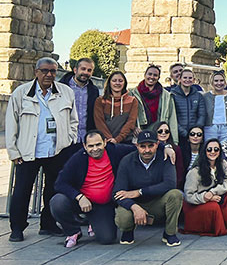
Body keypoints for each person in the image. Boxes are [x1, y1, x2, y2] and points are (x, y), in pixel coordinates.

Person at [6, 57, 79, 242]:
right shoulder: (21, 93)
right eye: (45, 71)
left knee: (53, 190)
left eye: (53, 71)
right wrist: (14, 152)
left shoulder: (66, 92)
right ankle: (17, 228)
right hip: (28, 151)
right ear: (36, 71)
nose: (49, 75)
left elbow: (73, 120)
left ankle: (48, 224)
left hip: (56, 150)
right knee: (22, 191)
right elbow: (11, 124)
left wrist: (69, 140)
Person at [50, 131, 138, 247]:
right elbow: (60, 183)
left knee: (107, 239)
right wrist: (79, 197)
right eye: (91, 146)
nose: (95, 149)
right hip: (82, 201)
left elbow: (140, 147)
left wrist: (165, 147)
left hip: (103, 204)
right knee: (57, 202)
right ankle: (73, 231)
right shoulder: (78, 158)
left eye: (98, 144)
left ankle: (94, 223)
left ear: (105, 143)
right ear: (85, 146)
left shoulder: (115, 151)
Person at [113, 130, 183, 246]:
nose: (147, 150)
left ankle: (169, 233)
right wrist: (134, 207)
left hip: (157, 202)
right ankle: (128, 231)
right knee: (123, 217)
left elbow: (170, 184)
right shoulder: (126, 161)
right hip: (134, 204)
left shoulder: (166, 157)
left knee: (176, 195)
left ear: (157, 144)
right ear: (136, 146)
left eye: (151, 146)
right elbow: (117, 193)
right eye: (142, 146)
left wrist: (140, 192)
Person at [182, 138, 227, 236]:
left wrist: (213, 192)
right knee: (213, 206)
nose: (213, 152)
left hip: (212, 195)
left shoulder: (222, 164)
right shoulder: (195, 172)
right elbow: (188, 196)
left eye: (216, 149)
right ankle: (217, 229)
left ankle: (226, 226)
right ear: (204, 151)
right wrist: (205, 197)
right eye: (209, 149)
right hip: (196, 204)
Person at [131, 64, 178, 143]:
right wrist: (133, 127)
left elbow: (172, 118)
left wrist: (175, 141)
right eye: (149, 74)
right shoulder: (133, 93)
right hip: (140, 132)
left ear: (159, 78)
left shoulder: (166, 95)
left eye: (155, 75)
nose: (152, 77)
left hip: (158, 133)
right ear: (145, 75)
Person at [58, 57, 99, 143]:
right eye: (83, 69)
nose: (86, 72)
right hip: (65, 138)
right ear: (75, 70)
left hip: (86, 138)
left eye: (89, 70)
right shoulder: (61, 88)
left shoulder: (94, 90)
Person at [94, 71, 138, 144]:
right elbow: (99, 122)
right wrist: (109, 139)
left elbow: (131, 122)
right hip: (106, 142)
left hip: (126, 141)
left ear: (124, 83)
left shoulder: (132, 101)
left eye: (120, 81)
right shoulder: (100, 101)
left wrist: (118, 139)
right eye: (114, 81)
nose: (117, 83)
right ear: (109, 83)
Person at [204, 71, 227, 143]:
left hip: (226, 128)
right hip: (210, 128)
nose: (219, 83)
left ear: (225, 82)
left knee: (225, 149)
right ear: (212, 82)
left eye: (221, 80)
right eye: (216, 81)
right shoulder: (205, 96)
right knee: (210, 148)